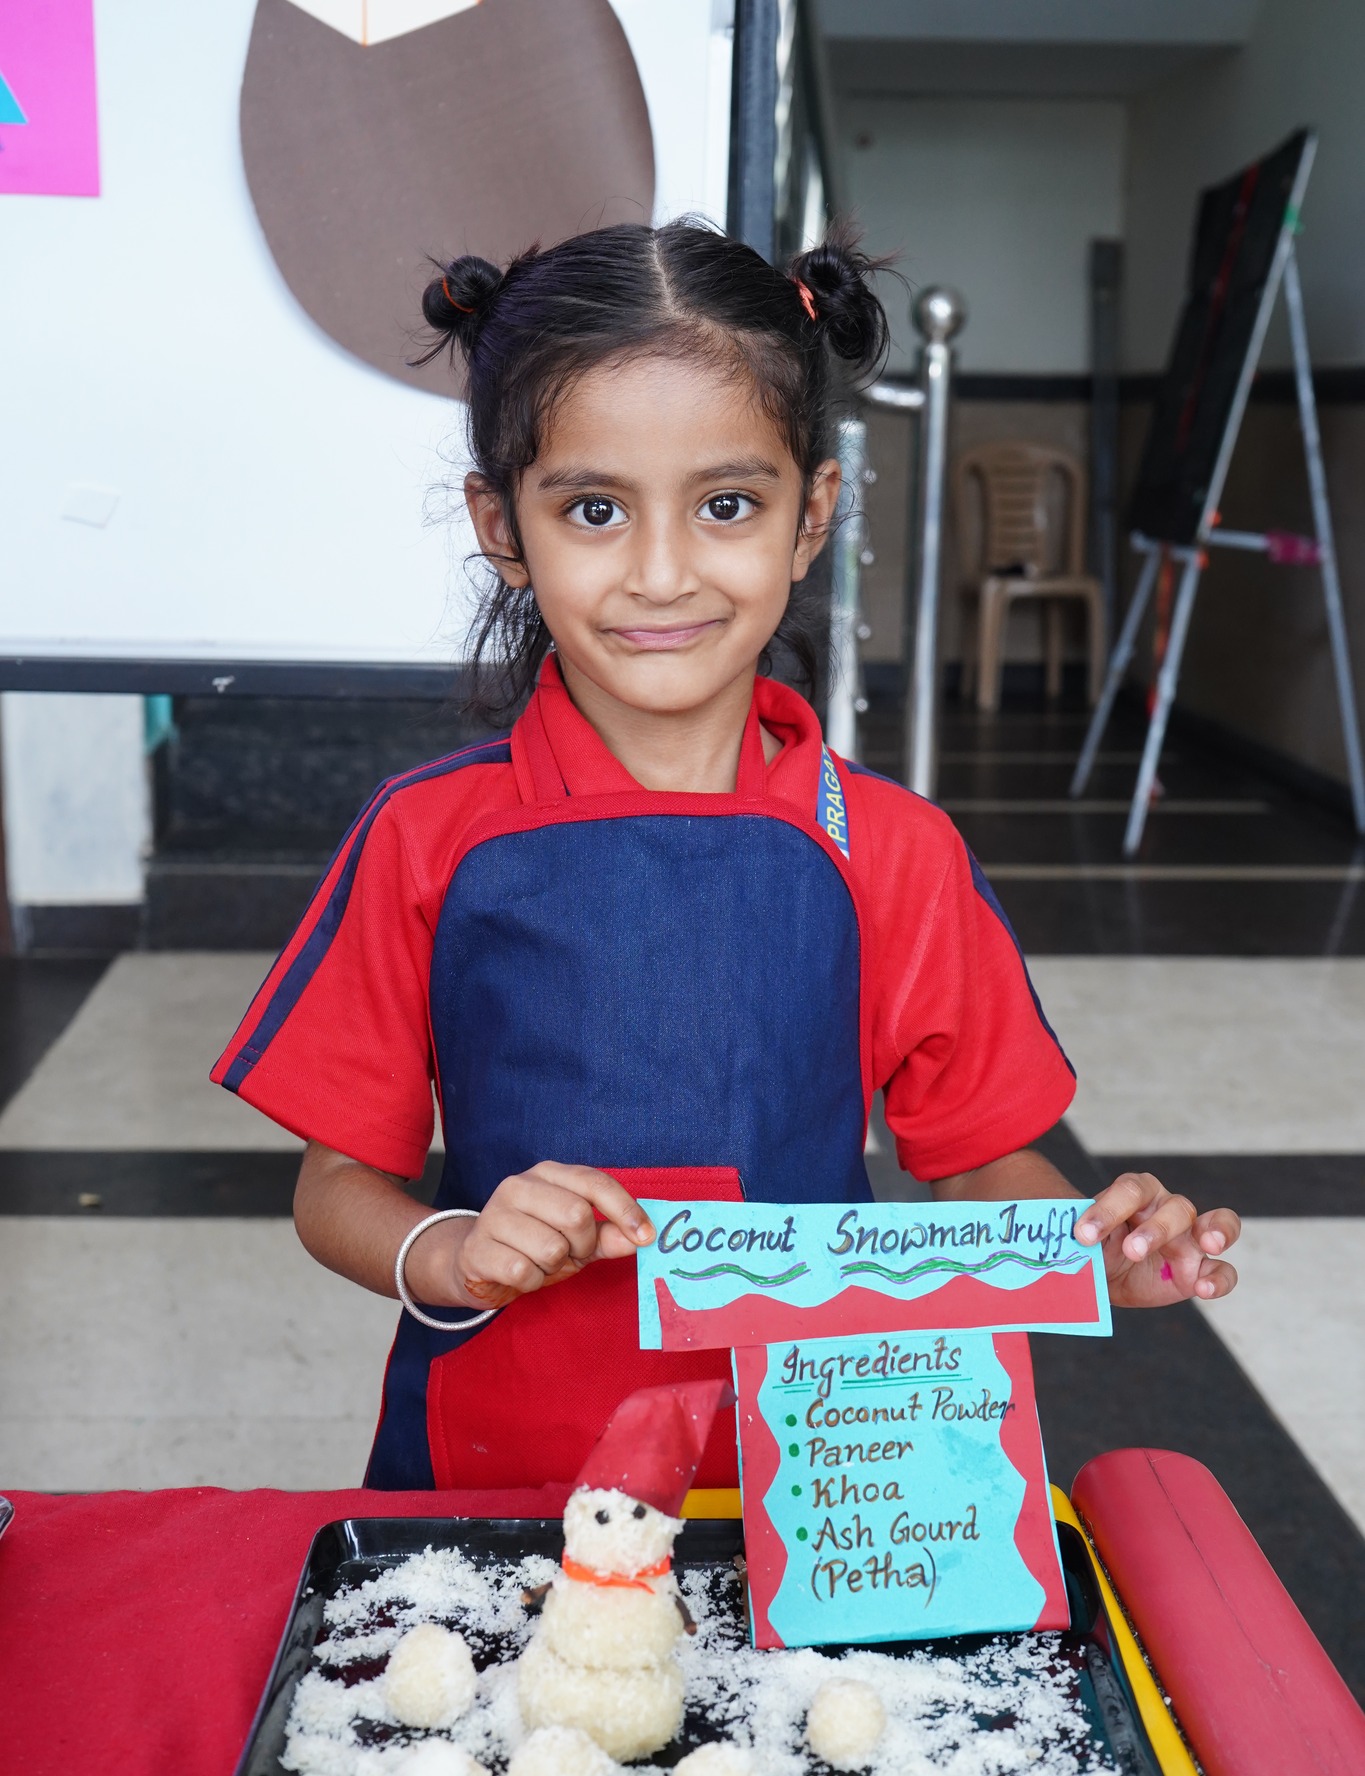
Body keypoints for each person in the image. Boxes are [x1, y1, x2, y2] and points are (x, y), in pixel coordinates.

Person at [213, 220, 1239, 1493]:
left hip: (820, 1485)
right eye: (593, 509)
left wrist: (1094, 1247)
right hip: (500, 1476)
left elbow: (980, 1159)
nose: (660, 572)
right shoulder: (427, 835)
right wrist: (451, 1246)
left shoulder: (897, 851)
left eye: (727, 504)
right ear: (502, 525)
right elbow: (335, 1187)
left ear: (811, 515)